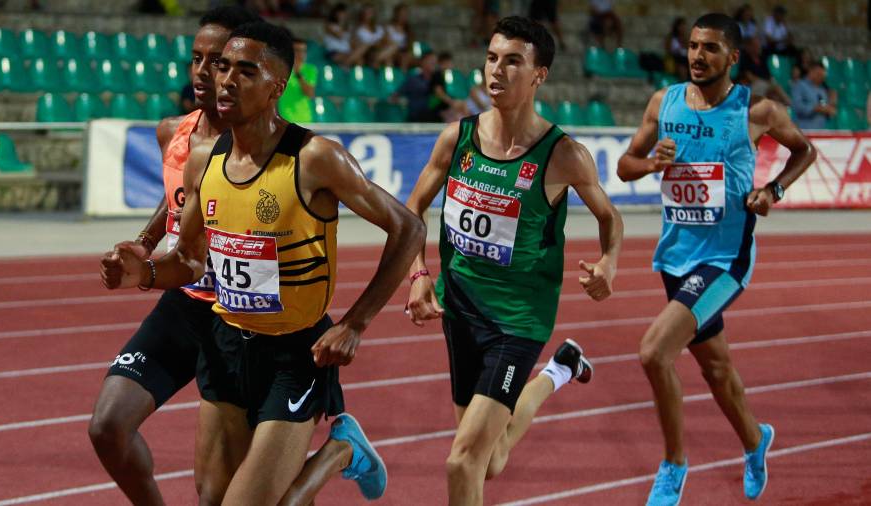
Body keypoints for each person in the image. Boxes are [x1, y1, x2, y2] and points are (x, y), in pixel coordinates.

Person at [105, 21, 426, 504]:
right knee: (212, 497)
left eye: (245, 71)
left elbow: (409, 228)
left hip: (294, 354)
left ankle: (339, 450)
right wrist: (146, 273)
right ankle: (340, 450)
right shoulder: (205, 161)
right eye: (223, 68)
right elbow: (190, 260)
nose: (226, 80)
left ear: (277, 85)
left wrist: (356, 323)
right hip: (225, 344)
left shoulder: (316, 158)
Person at [405, 16, 623, 505]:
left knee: (463, 462)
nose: (495, 71)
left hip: (518, 321)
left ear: (539, 75)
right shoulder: (456, 138)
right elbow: (412, 210)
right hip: (458, 308)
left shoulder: (563, 154)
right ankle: (559, 371)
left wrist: (609, 262)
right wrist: (419, 274)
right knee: (491, 460)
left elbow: (611, 218)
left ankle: (549, 362)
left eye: (512, 62)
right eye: (490, 58)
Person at [616, 13, 817, 505]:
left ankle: (673, 464)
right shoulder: (664, 102)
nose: (697, 56)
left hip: (726, 257)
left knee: (653, 352)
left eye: (709, 48)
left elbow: (804, 151)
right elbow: (624, 167)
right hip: (676, 256)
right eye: (692, 46)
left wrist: (773, 190)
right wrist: (651, 164)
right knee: (717, 371)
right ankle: (755, 440)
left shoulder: (758, 111)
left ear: (733, 57)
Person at [90, 7, 261, 505]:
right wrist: (145, 242)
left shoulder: (263, 145)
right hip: (187, 303)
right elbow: (177, 197)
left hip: (243, 319)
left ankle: (337, 449)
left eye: (221, 61)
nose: (207, 72)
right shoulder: (175, 132)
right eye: (198, 59)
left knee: (223, 494)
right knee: (107, 427)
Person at [737, 36, 790, 105]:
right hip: (754, 84)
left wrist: (768, 82)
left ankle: (786, 105)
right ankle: (788, 103)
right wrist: (766, 83)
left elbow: (768, 74)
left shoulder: (762, 58)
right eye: (756, 45)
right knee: (770, 90)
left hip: (766, 83)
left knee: (775, 92)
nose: (759, 47)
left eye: (759, 45)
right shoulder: (745, 59)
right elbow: (749, 77)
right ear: (750, 47)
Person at [279, 36, 316, 123]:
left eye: (303, 51)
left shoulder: (310, 70)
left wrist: (298, 73)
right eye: (297, 51)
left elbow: (310, 93)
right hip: (285, 121)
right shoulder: (281, 69)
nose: (300, 54)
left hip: (305, 120)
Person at [791, 61, 836, 130]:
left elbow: (827, 111)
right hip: (804, 131)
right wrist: (815, 108)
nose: (821, 78)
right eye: (818, 74)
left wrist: (831, 106)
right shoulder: (800, 86)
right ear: (811, 72)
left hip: (820, 131)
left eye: (823, 76)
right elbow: (797, 107)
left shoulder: (822, 90)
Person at [664, 17, 688, 81]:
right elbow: (668, 50)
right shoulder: (671, 37)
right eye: (681, 26)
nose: (683, 28)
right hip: (674, 57)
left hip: (684, 57)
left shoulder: (685, 38)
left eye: (684, 26)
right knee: (682, 67)